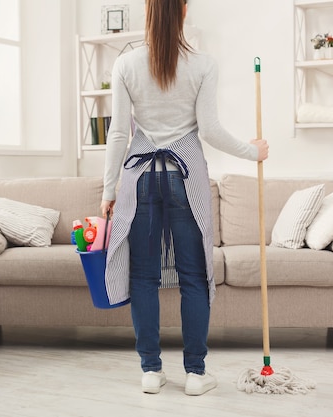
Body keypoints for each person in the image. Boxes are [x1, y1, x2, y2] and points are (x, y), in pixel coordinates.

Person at [100, 0, 269, 396]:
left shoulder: (125, 65)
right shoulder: (203, 64)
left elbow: (118, 135)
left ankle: (150, 371)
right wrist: (252, 151)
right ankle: (195, 374)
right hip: (185, 178)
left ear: (147, 11)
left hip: (139, 178)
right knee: (193, 276)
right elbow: (208, 130)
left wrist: (109, 191)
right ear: (184, 10)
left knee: (143, 277)